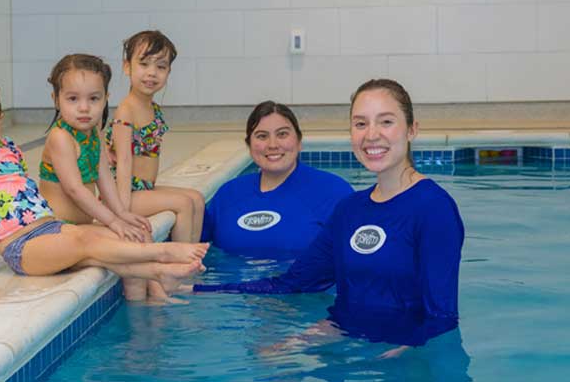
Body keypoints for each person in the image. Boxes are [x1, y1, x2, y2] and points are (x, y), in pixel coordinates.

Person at [188, 79, 465, 355]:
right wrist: (195, 290)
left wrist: (390, 360)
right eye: (360, 124)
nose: (371, 135)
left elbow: (441, 318)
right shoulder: (350, 210)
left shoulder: (433, 208)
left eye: (386, 122)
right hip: (345, 350)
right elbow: (292, 283)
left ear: (411, 130)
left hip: (402, 359)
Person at [0, 76, 209, 291]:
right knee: (86, 240)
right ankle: (164, 253)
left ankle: (155, 274)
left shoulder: (8, 148)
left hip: (51, 227)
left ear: (0, 120)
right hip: (21, 248)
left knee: (103, 246)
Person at [39, 54, 169, 301]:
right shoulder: (60, 138)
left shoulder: (93, 132)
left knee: (139, 235)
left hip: (78, 228)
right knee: (129, 249)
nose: (84, 108)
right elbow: (75, 190)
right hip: (56, 232)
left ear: (106, 99)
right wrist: (113, 221)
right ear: (56, 100)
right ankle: (140, 311)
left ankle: (156, 296)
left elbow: (103, 176)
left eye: (94, 98)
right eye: (73, 99)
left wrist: (121, 213)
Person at [201, 101, 353, 257]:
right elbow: (196, 251)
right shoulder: (229, 194)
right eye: (262, 136)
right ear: (249, 145)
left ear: (299, 141)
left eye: (282, 134)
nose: (272, 144)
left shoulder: (332, 191)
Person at [105, 30, 205, 245]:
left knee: (196, 198)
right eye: (144, 64)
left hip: (143, 189)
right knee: (184, 204)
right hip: (124, 194)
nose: (152, 73)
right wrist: (121, 210)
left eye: (160, 66)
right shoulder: (126, 111)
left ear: (168, 72)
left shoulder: (152, 107)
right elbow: (123, 161)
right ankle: (178, 265)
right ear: (127, 66)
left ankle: (193, 262)